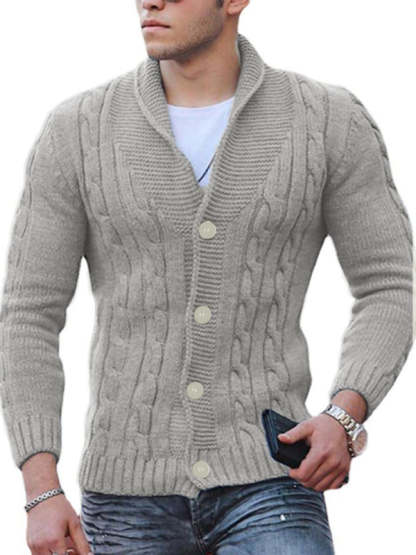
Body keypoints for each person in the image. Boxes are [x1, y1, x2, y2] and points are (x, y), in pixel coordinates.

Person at [0, 0, 413, 553]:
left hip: (272, 482)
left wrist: (345, 414)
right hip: (124, 497)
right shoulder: (77, 131)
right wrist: (40, 489)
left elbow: (389, 283)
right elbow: (28, 314)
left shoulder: (326, 121)